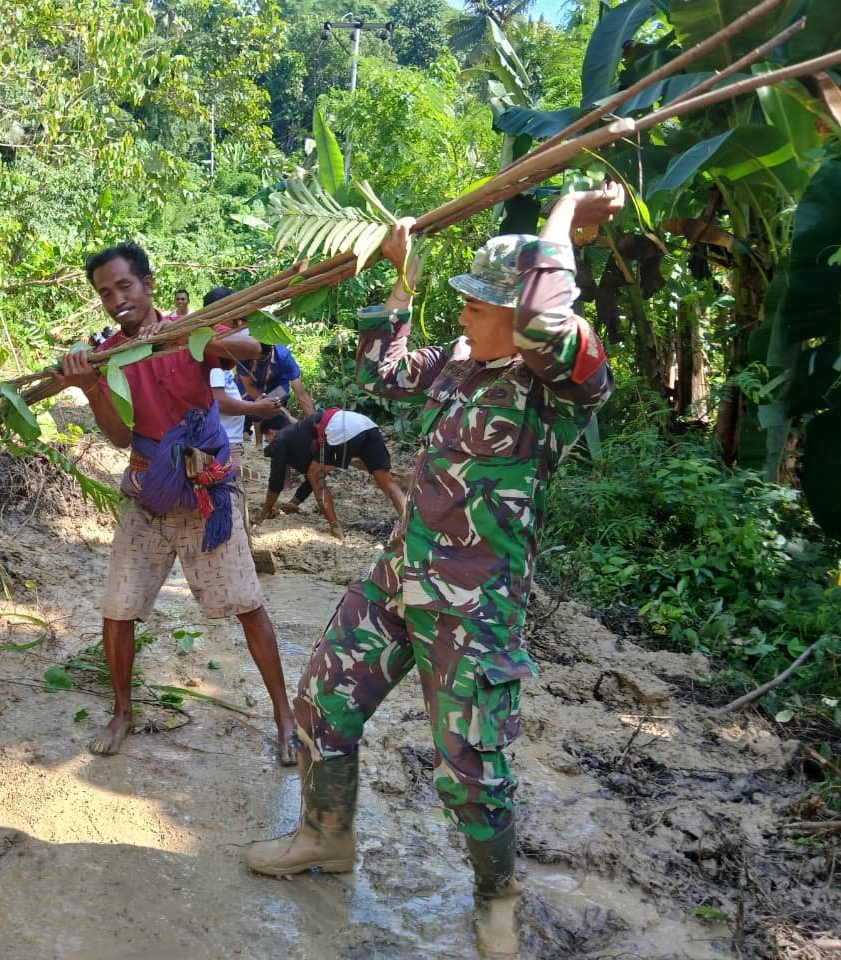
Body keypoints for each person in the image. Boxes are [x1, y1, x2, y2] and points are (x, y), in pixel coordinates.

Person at [242, 184, 623, 956]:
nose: (465, 317)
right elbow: (381, 371)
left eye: (479, 306)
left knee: (470, 767)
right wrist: (402, 278)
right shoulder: (460, 361)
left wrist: (565, 210)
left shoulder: (563, 382)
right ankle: (325, 835)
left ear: (517, 313)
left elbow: (548, 317)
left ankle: (496, 897)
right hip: (399, 574)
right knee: (322, 703)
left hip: (474, 606)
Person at [51, 244, 297, 764]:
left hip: (206, 490)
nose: (117, 299)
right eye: (105, 293)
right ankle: (122, 712)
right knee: (118, 609)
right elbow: (120, 437)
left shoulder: (190, 333)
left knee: (247, 605)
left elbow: (254, 347)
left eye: (125, 286)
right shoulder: (109, 356)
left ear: (148, 285)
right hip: (147, 493)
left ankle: (284, 716)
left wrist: (200, 336)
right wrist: (90, 387)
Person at [204, 285, 286, 573]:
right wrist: (256, 409)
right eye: (238, 320)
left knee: (237, 504)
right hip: (222, 444)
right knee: (231, 506)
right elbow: (218, 401)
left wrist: (254, 403)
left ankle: (242, 559)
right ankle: (235, 566)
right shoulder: (213, 353)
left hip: (229, 441)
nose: (242, 326)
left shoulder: (223, 357)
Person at [256, 409, 406, 539]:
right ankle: (410, 525)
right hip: (367, 425)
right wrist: (294, 503)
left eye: (267, 439)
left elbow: (276, 480)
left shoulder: (280, 440)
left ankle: (335, 528)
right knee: (388, 483)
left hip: (340, 429)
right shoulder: (301, 433)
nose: (270, 443)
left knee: (315, 476)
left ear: (271, 432)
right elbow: (315, 472)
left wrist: (265, 511)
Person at [237, 342, 316, 445]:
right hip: (251, 387)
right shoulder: (243, 355)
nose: (256, 363)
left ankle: (284, 439)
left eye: (260, 360)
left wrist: (316, 423)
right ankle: (258, 444)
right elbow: (249, 387)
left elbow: (301, 394)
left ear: (270, 352)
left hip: (278, 387)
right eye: (253, 359)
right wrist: (265, 404)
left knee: (279, 413)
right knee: (256, 408)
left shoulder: (284, 356)